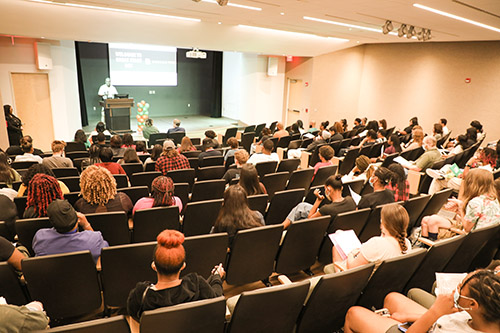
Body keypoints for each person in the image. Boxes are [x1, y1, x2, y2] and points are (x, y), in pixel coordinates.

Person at [343, 270, 500, 333]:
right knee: (392, 298)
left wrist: (435, 311)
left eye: (460, 288)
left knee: (353, 313)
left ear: (473, 303)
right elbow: (447, 320)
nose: (455, 291)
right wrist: (407, 317)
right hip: (434, 324)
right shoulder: (481, 315)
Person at [127, 230, 224, 324]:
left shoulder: (139, 296)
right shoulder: (197, 285)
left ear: (154, 266)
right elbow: (217, 300)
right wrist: (217, 277)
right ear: (183, 266)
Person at [324, 203, 411, 273]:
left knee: (336, 248)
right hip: (381, 285)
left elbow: (351, 267)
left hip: (360, 284)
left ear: (383, 222)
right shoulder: (407, 243)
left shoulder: (376, 244)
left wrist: (351, 254)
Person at [421, 168, 500, 241]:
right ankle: (425, 249)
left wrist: (461, 208)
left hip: (469, 240)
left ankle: (429, 247)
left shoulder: (475, 203)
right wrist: (459, 210)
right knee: (426, 219)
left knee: (432, 220)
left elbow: (467, 228)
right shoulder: (493, 199)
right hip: (485, 240)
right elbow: (475, 219)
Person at [33, 199, 108, 263]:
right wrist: (86, 225)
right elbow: (103, 249)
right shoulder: (94, 238)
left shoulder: (41, 238)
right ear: (76, 218)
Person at [283, 175, 356, 229]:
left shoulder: (327, 209)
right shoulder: (351, 200)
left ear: (328, 189)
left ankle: (281, 228)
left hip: (322, 229)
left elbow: (310, 219)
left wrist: (318, 200)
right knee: (302, 206)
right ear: (341, 188)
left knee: (299, 218)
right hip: (339, 227)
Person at [427, 147, 497, 195]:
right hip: (468, 181)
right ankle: (441, 174)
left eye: (481, 153)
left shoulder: (483, 170)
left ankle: (430, 197)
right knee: (448, 166)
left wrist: (469, 163)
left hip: (466, 185)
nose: (478, 155)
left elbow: (465, 177)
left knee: (438, 180)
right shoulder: (487, 167)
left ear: (485, 157)